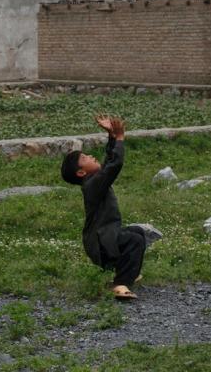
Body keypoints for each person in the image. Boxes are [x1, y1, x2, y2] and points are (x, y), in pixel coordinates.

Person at [61, 115, 147, 301]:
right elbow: (114, 165)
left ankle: (128, 273)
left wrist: (112, 137)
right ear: (81, 172)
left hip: (104, 238)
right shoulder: (92, 185)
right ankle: (120, 284)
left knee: (138, 232)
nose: (91, 156)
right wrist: (120, 139)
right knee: (134, 241)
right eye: (85, 158)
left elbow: (108, 162)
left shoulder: (94, 180)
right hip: (101, 243)